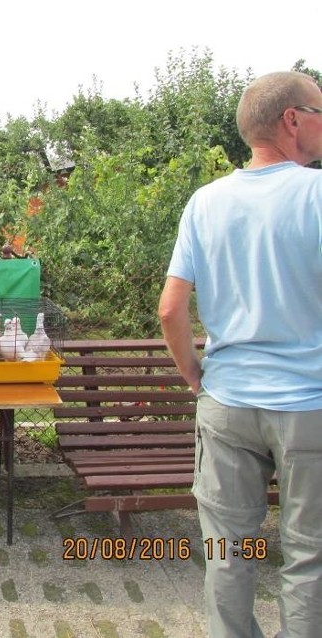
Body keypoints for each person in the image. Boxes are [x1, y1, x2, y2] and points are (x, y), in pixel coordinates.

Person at [159, 71, 322, 637]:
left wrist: (194, 378)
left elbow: (170, 309)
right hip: (310, 409)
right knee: (309, 555)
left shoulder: (206, 202)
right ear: (292, 120)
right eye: (320, 111)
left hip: (227, 404)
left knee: (230, 549)